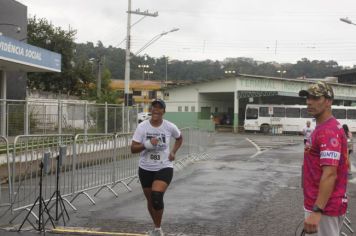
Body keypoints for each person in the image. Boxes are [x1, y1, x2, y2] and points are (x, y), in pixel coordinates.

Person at [299, 81, 348, 235]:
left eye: (315, 98)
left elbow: (330, 174)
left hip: (324, 208)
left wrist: (317, 210)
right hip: (321, 203)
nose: (309, 102)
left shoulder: (328, 131)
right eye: (307, 98)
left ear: (328, 101)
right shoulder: (322, 127)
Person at [131, 99, 183, 236]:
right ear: (151, 110)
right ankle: (156, 228)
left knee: (156, 196)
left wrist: (173, 152)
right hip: (145, 168)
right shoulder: (142, 127)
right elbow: (133, 149)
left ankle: (158, 230)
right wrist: (147, 144)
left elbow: (179, 138)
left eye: (160, 108)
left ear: (163, 112)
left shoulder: (169, 126)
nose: (156, 110)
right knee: (151, 201)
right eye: (154, 107)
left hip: (164, 166)